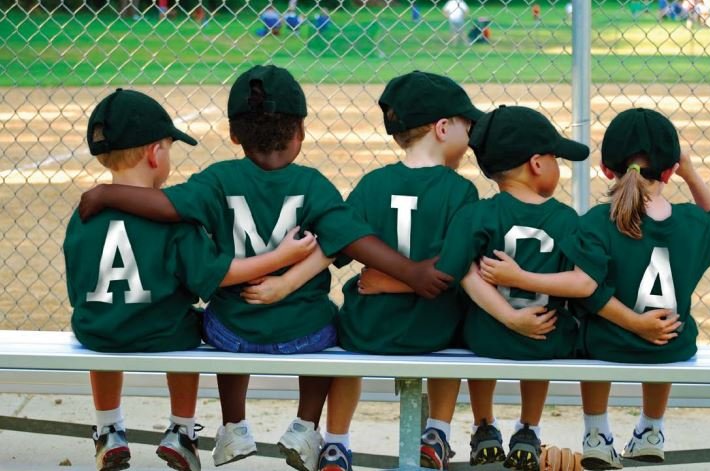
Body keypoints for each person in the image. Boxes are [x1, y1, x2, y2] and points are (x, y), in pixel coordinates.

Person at [77, 65, 453, 471]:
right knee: (331, 319)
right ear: (301, 132)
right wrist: (411, 272)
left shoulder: (218, 179)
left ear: (235, 134)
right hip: (304, 336)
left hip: (232, 335)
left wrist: (105, 192)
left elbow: (166, 206)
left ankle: (233, 426)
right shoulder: (312, 184)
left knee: (217, 314)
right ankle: (306, 427)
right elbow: (352, 239)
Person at [66, 88, 318, 471]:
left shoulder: (83, 214)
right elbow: (218, 275)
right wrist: (279, 258)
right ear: (154, 154)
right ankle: (182, 431)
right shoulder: (175, 222)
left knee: (103, 323)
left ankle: (109, 429)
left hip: (97, 331)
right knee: (191, 324)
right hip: (163, 334)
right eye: (169, 148)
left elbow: (77, 291)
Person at [490, 108, 710, 470]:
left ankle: (596, 434)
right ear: (669, 171)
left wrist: (632, 323)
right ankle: (651, 429)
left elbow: (588, 291)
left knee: (588, 334)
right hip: (672, 348)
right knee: (665, 328)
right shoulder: (693, 224)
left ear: (605, 170)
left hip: (609, 346)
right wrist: (691, 173)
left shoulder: (597, 223)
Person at [316, 71, 483, 471]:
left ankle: (336, 443)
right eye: (467, 126)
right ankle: (437, 432)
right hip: (436, 329)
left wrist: (385, 279)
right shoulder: (460, 190)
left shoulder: (373, 184)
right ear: (443, 128)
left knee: (345, 341)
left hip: (369, 329)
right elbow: (452, 269)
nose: (472, 136)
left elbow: (336, 247)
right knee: (460, 332)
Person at [433, 105, 593, 470]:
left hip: (485, 337)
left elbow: (460, 270)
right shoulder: (566, 220)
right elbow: (581, 281)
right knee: (548, 328)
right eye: (555, 159)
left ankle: (484, 426)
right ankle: (529, 430)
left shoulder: (479, 214)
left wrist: (507, 315)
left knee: (470, 328)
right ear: (537, 164)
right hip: (545, 339)